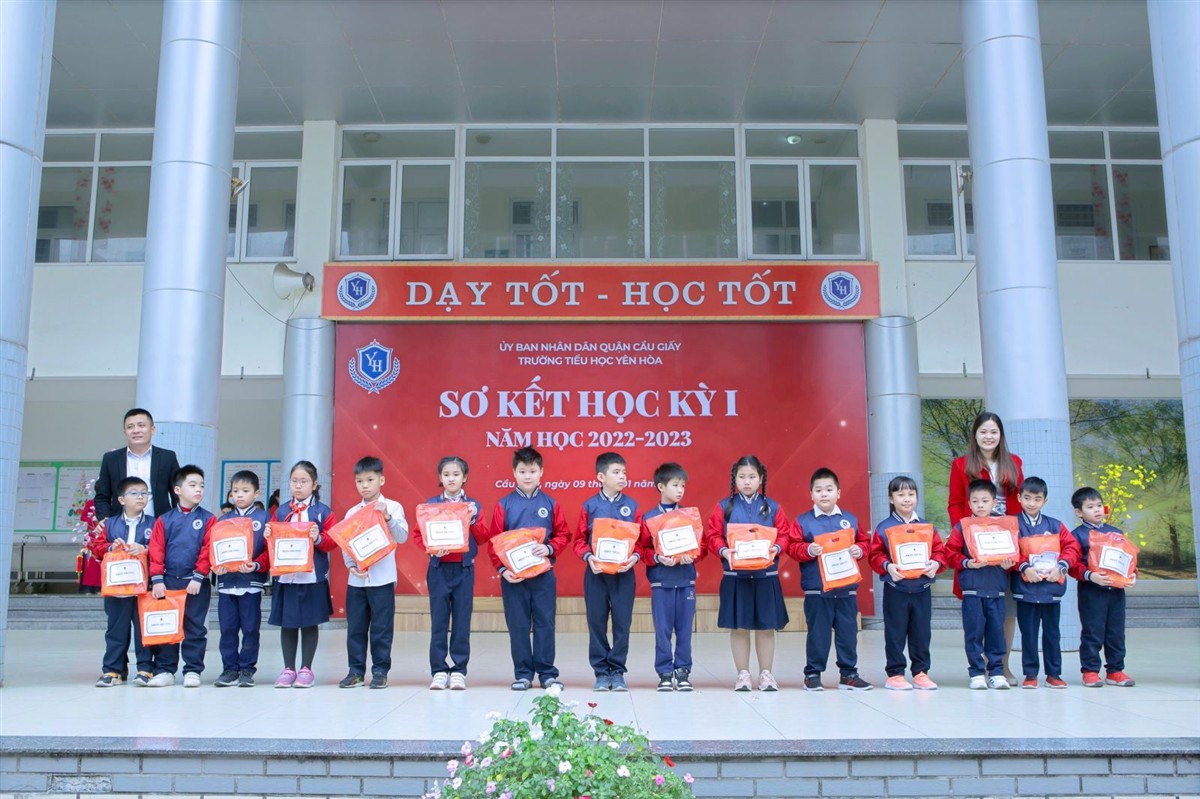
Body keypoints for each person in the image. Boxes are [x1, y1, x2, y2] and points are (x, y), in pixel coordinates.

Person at [947, 411, 1024, 684]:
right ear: (975, 435)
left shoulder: (1013, 462)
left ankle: (1001, 666)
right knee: (978, 610)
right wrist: (966, 536)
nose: (988, 437)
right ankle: (979, 668)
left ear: (1000, 435)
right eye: (983, 432)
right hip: (975, 542)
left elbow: (1019, 502)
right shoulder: (961, 465)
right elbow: (956, 503)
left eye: (993, 432)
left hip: (1005, 541)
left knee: (1006, 607)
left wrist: (1017, 539)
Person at [704, 455, 790, 692]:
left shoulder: (773, 507)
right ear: (735, 479)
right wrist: (723, 550)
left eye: (752, 476)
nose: (747, 481)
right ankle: (743, 674)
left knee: (766, 627)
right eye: (742, 477)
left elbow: (784, 534)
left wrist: (777, 547)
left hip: (766, 575)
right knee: (739, 626)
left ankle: (766, 674)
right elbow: (713, 535)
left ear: (761, 479)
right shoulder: (724, 506)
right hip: (736, 577)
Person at [487, 447, 570, 691]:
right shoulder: (504, 505)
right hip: (514, 578)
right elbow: (494, 542)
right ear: (514, 472)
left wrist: (550, 548)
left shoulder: (550, 504)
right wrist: (503, 570)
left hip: (543, 576)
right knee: (518, 625)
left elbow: (563, 534)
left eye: (532, 471)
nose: (527, 476)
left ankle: (547, 674)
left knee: (545, 624)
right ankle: (523, 674)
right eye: (522, 471)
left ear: (541, 472)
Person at [786, 467, 871, 692]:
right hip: (817, 590)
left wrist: (860, 550)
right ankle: (812, 674)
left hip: (846, 589)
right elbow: (792, 547)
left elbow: (864, 542)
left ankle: (849, 675)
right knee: (818, 634)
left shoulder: (850, 520)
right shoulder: (803, 521)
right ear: (811, 494)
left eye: (829, 489)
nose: (824, 494)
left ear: (838, 493)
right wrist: (807, 550)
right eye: (819, 490)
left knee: (848, 633)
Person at [416, 456, 490, 690]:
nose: (451, 479)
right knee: (439, 621)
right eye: (446, 474)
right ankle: (438, 670)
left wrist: (474, 518)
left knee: (461, 621)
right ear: (440, 477)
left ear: (464, 477)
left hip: (464, 569)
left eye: (456, 474)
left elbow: (483, 537)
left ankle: (458, 670)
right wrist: (431, 548)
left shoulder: (473, 506)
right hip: (438, 569)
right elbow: (419, 536)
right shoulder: (430, 506)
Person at [867, 475, 946, 691]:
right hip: (896, 590)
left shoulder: (926, 527)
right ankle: (895, 675)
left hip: (922, 589)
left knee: (921, 633)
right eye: (900, 494)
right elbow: (875, 556)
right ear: (891, 499)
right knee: (895, 633)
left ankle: (921, 673)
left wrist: (936, 563)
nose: (906, 499)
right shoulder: (884, 527)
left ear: (917, 497)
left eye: (911, 494)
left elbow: (939, 551)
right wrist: (887, 566)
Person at [339, 456, 409, 690]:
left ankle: (380, 672)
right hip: (357, 581)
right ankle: (355, 672)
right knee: (355, 628)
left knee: (381, 629)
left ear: (382, 480)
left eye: (370, 480)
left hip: (383, 579)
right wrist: (351, 565)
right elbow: (346, 543)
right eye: (359, 481)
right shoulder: (352, 512)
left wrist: (387, 517)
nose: (365, 485)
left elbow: (402, 537)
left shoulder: (394, 507)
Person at [265, 460, 337, 689]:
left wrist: (318, 537)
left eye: (304, 481)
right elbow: (271, 542)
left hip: (311, 576)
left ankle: (306, 669)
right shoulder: (281, 511)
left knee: (309, 622)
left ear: (314, 484)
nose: (298, 485)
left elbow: (333, 542)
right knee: (288, 623)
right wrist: (268, 535)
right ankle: (288, 669)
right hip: (286, 576)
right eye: (294, 481)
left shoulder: (323, 512)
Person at [574, 452, 640, 692]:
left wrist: (634, 558)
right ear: (601, 477)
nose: (622, 476)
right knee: (597, 623)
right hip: (596, 575)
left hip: (624, 575)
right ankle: (601, 672)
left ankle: (618, 671)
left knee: (622, 624)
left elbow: (642, 542)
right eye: (616, 472)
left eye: (624, 472)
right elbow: (578, 541)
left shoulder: (632, 506)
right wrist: (588, 557)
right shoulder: (590, 506)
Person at [146, 465, 214, 687]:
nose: (198, 489)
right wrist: (157, 579)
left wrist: (199, 575)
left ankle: (193, 669)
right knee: (168, 625)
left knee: (195, 627)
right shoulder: (164, 519)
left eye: (201, 485)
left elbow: (208, 549)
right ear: (177, 490)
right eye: (192, 485)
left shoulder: (208, 519)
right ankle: (165, 670)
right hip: (168, 582)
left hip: (195, 583)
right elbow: (156, 550)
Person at [1011, 476, 1081, 690]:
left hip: (1051, 588)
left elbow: (1072, 548)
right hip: (1025, 589)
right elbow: (1008, 550)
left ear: (1045, 501)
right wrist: (1024, 567)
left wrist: (1061, 567)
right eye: (1027, 498)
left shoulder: (1055, 525)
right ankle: (1030, 674)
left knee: (1052, 634)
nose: (1031, 503)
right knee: (1028, 634)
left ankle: (1054, 674)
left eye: (1037, 499)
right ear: (1019, 498)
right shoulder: (1012, 524)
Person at [945, 479, 1015, 690]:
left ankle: (996, 672)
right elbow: (950, 554)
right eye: (975, 501)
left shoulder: (1003, 527)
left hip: (996, 590)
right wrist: (967, 563)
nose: (980, 505)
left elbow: (1015, 554)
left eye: (985, 501)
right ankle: (976, 673)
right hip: (972, 590)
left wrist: (1009, 563)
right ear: (969, 503)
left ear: (995, 502)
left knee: (996, 633)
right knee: (974, 634)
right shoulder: (963, 526)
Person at [637, 462, 701, 692]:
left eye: (683, 485)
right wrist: (657, 557)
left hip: (685, 580)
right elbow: (642, 549)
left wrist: (692, 556)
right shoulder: (649, 517)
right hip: (661, 581)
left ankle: (683, 671)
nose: (680, 490)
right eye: (675, 485)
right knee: (663, 630)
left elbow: (700, 547)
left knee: (684, 629)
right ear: (661, 487)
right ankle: (664, 672)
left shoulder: (689, 516)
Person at [1069, 486, 1137, 688]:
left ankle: (1115, 670)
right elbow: (1073, 565)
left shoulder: (1116, 533)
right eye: (1090, 507)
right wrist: (1090, 576)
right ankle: (1090, 671)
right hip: (1092, 591)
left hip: (1116, 591)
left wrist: (1132, 573)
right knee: (1093, 631)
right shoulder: (1077, 536)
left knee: (1116, 632)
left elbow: (1127, 558)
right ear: (1079, 512)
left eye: (1099, 505)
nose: (1097, 510)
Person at [91, 476, 155, 687]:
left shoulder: (154, 523)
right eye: (134, 493)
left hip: (144, 587)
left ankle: (145, 669)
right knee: (116, 630)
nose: (140, 497)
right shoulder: (109, 524)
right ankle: (112, 670)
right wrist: (111, 547)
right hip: (117, 587)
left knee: (144, 629)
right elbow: (96, 548)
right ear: (121, 499)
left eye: (144, 493)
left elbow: (161, 550)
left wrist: (145, 550)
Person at [213, 470, 270, 688]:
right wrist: (216, 566)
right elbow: (213, 549)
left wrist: (257, 565)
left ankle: (247, 669)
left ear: (256, 493)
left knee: (250, 628)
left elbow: (269, 550)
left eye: (245, 491)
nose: (239, 495)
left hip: (251, 582)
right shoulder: (222, 520)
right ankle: (229, 669)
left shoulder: (263, 518)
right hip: (227, 582)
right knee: (227, 628)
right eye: (235, 491)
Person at [94, 408, 180, 521]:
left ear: (152, 430)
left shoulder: (167, 457)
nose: (136, 431)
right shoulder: (111, 459)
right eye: (130, 427)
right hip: (120, 527)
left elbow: (178, 494)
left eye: (141, 425)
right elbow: (102, 496)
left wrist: (177, 521)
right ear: (125, 432)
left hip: (159, 526)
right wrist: (105, 520)